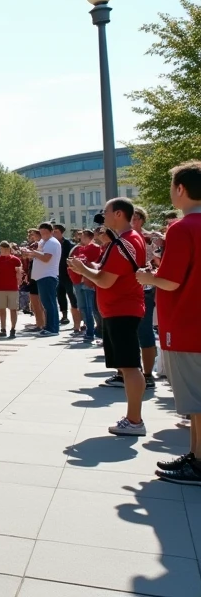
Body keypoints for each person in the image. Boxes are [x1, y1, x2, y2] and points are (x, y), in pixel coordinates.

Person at [139, 162, 201, 484]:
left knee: (196, 401)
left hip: (188, 325)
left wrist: (146, 275)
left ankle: (199, 462)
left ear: (180, 189)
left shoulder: (182, 228)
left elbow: (172, 281)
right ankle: (195, 455)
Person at [68, 198, 147, 436]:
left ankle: (134, 420)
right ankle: (133, 418)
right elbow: (108, 274)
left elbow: (105, 279)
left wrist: (83, 270)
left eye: (106, 212)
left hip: (122, 309)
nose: (103, 216)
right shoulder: (126, 241)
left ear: (119, 214)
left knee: (130, 367)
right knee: (128, 366)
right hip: (120, 308)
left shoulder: (125, 242)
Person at [132, 206, 159, 386]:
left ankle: (148, 373)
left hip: (145, 288)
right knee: (131, 331)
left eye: (133, 218)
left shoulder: (150, 238)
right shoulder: (123, 238)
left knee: (145, 329)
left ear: (141, 219)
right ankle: (132, 371)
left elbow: (157, 262)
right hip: (129, 288)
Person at [21, 223, 62, 337]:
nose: (43, 234)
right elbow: (37, 256)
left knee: (50, 304)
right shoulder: (43, 242)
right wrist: (28, 253)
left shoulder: (52, 242)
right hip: (41, 276)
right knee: (46, 304)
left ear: (51, 232)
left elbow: (46, 258)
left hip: (48, 276)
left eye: (45, 232)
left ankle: (52, 329)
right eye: (41, 232)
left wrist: (34, 253)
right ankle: (48, 327)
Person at [69, 229, 102, 343]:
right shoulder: (78, 248)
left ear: (88, 237)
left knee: (90, 308)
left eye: (82, 236)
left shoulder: (95, 248)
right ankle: (89, 330)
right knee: (82, 307)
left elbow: (92, 262)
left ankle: (94, 331)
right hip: (78, 280)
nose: (80, 238)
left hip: (88, 280)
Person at [0, 241, 22, 337]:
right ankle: (3, 328)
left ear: (9, 249)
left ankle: (13, 328)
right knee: (2, 309)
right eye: (3, 248)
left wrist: (18, 282)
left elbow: (19, 274)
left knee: (13, 309)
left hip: (13, 288)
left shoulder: (16, 260)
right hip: (0, 288)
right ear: (0, 249)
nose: (5, 250)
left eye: (7, 248)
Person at [53, 223, 77, 330]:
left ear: (61, 232)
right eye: (53, 231)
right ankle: (64, 315)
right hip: (57, 274)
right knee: (60, 295)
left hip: (68, 274)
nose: (54, 233)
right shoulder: (52, 244)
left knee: (72, 296)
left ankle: (77, 317)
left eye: (56, 231)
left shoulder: (69, 244)